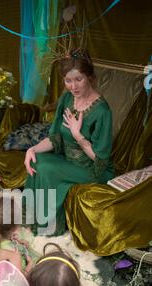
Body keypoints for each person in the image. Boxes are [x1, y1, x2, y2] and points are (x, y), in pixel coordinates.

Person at [24, 49, 114, 236]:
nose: (73, 86)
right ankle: (31, 220)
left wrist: (78, 135)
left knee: (48, 169)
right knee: (37, 160)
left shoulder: (102, 111)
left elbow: (100, 159)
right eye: (68, 80)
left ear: (90, 76)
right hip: (68, 161)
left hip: (91, 169)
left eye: (78, 79)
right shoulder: (66, 99)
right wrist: (32, 149)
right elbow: (54, 137)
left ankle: (48, 229)